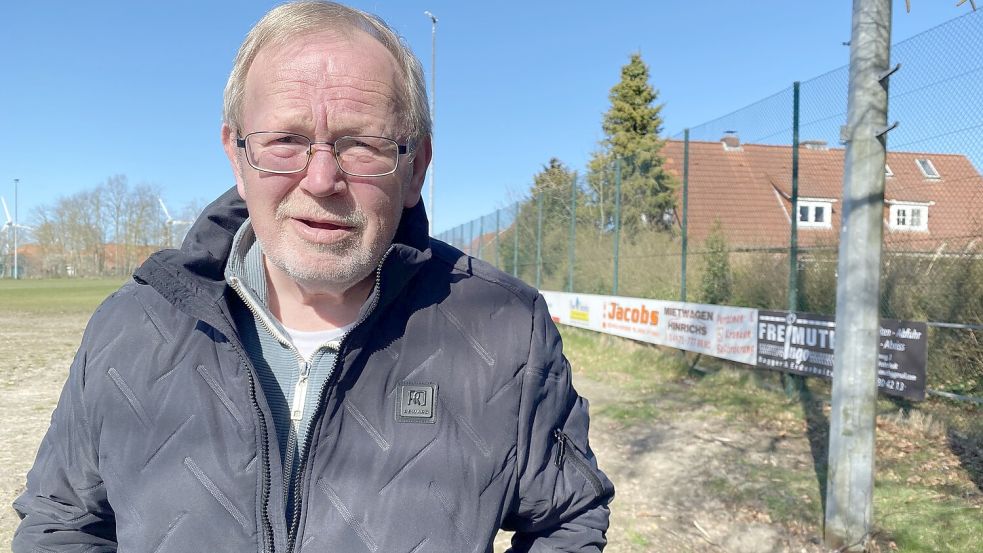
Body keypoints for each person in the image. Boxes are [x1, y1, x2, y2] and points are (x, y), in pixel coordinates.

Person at [12, 2, 613, 551]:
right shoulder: (129, 328)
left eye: (362, 144)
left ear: (415, 168)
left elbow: (566, 519)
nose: (322, 179)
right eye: (287, 140)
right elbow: (62, 522)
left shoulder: (505, 329)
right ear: (236, 154)